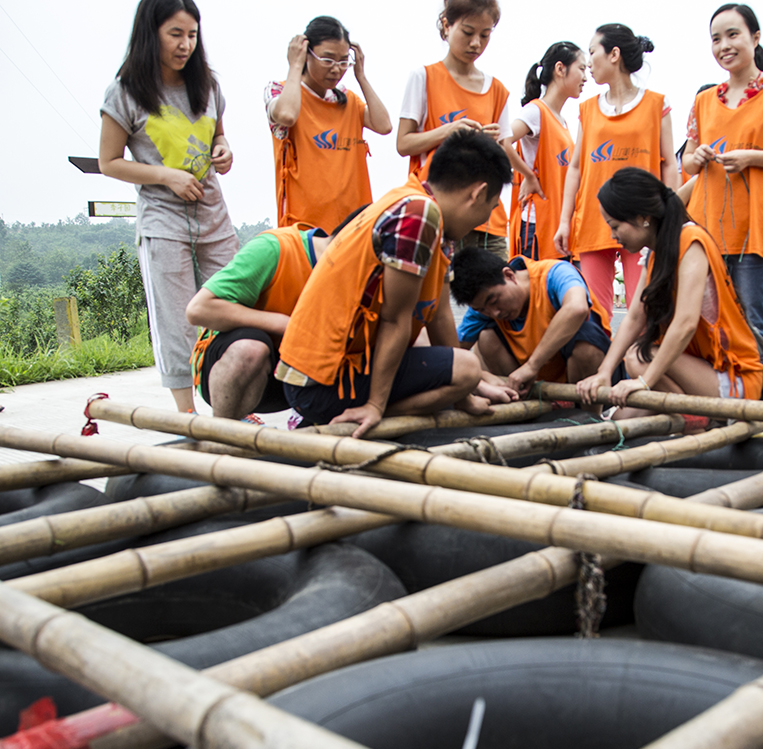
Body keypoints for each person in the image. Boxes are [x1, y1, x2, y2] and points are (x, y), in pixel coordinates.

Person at [275, 130, 518, 438]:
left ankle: (373, 405)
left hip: (331, 371)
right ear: (477, 194)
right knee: (468, 368)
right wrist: (376, 404)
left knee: (466, 371)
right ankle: (367, 415)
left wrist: (466, 394)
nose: (486, 217)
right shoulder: (418, 214)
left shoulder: (426, 212)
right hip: (322, 382)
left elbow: (441, 316)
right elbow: (394, 318)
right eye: (492, 205)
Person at [99, 0, 238, 413]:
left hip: (214, 217)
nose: (185, 45)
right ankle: (187, 416)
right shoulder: (125, 91)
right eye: (175, 35)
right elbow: (109, 162)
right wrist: (167, 176)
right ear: (151, 33)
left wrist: (224, 150)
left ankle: (230, 405)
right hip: (163, 222)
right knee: (178, 322)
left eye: (192, 35)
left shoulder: (208, 85)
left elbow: (220, 137)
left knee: (234, 307)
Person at [576, 168, 763, 417]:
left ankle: (698, 423)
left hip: (732, 378)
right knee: (622, 419)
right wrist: (603, 372)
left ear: (644, 217)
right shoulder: (654, 253)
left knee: (638, 359)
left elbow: (685, 323)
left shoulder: (691, 240)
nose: (613, 235)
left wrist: (643, 382)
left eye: (615, 226)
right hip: (693, 371)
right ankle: (688, 418)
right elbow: (633, 318)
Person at [682, 4, 763, 350]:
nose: (724, 45)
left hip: (757, 229)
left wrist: (752, 157)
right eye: (716, 39)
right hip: (709, 229)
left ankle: (759, 400)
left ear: (755, 37)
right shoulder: (704, 101)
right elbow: (689, 162)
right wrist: (699, 156)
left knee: (754, 324)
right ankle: (718, 400)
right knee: (710, 321)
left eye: (733, 34)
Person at [553, 24, 679, 320]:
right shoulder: (587, 109)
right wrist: (564, 220)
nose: (589, 62)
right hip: (594, 222)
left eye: (593, 51)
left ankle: (640, 366)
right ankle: (602, 366)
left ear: (614, 54)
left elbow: (669, 165)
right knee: (594, 314)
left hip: (643, 221)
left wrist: (671, 218)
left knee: (645, 308)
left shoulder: (657, 104)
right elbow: (575, 168)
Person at [186, 210, 361, 421]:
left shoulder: (361, 282)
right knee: (251, 347)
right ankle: (224, 432)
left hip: (297, 375)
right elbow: (199, 309)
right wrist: (284, 324)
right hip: (235, 365)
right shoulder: (276, 248)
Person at [396, 0, 511, 259]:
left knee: (497, 295)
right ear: (447, 26)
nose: (476, 44)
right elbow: (403, 143)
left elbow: (505, 158)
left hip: (487, 220)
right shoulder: (423, 77)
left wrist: (489, 145)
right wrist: (450, 132)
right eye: (468, 33)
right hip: (437, 211)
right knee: (435, 297)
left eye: (485, 35)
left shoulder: (497, 90)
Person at [267, 16, 392, 233]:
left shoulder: (347, 99)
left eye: (343, 61)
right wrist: (295, 66)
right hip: (304, 230)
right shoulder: (279, 91)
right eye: (328, 60)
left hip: (352, 228)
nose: (336, 69)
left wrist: (361, 76)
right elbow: (287, 115)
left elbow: (384, 125)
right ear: (307, 54)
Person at [451, 248, 611, 396]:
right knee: (486, 337)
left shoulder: (555, 273)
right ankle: (520, 402)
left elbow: (577, 308)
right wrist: (483, 376)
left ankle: (589, 417)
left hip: (584, 381)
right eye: (482, 309)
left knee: (586, 341)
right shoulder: (483, 307)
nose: (495, 313)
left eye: (494, 301)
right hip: (530, 384)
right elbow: (452, 353)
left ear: (509, 275)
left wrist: (532, 366)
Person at [503, 42, 586, 260]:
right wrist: (528, 175)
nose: (585, 77)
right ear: (560, 69)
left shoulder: (563, 121)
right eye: (582, 68)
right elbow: (501, 139)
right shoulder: (536, 111)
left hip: (557, 227)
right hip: (537, 226)